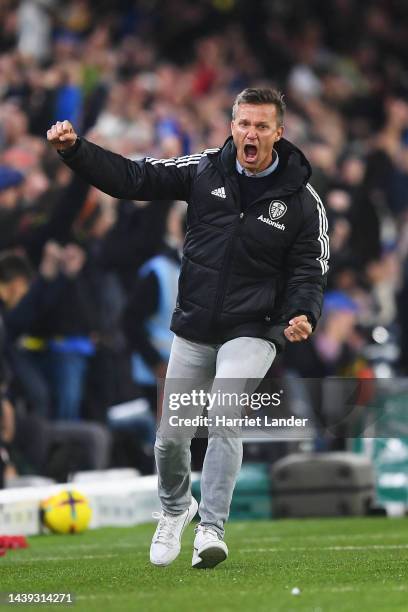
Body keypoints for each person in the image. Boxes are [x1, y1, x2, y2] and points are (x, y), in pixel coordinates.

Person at [47, 87, 329, 569]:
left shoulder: (303, 202)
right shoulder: (203, 170)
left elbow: (310, 268)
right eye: (243, 123)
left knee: (224, 415)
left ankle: (212, 529)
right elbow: (134, 178)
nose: (251, 133)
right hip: (196, 326)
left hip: (255, 327)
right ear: (231, 125)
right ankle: (176, 509)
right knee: (170, 437)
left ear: (279, 133)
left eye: (262, 126)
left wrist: (302, 313)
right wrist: (77, 150)